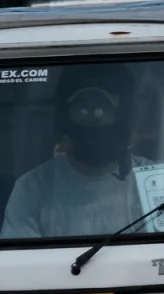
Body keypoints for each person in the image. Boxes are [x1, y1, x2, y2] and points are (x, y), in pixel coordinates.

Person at [1, 65, 146, 239]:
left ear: (122, 116)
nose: (93, 120)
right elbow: (21, 262)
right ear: (65, 117)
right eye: (82, 110)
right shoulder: (31, 188)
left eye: (102, 110)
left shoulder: (153, 181)